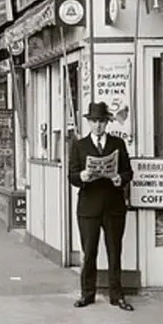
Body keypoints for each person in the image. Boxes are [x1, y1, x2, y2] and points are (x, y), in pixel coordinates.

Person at [68, 102, 134, 311]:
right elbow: (71, 175)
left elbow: (128, 172)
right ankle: (87, 294)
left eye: (101, 122)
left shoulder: (118, 144)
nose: (98, 126)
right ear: (89, 122)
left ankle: (117, 295)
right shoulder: (79, 145)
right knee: (89, 252)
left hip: (113, 206)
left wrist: (119, 179)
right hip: (88, 206)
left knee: (115, 252)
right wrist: (82, 176)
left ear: (107, 123)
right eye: (94, 122)